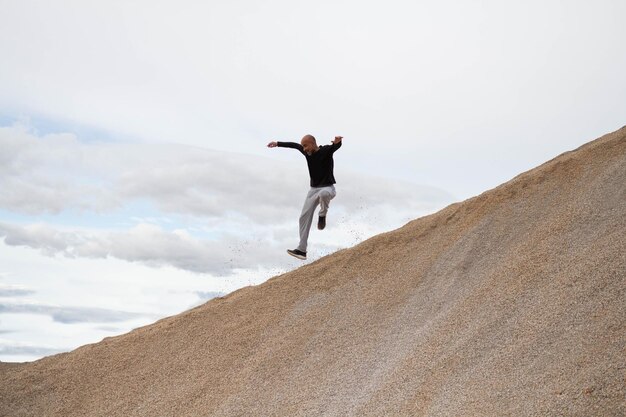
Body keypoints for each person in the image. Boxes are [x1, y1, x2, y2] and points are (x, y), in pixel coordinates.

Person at [267, 134, 343, 260]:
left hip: (328, 188)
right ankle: (302, 250)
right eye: (303, 146)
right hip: (313, 190)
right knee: (303, 217)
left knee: (323, 194)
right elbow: (294, 145)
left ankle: (322, 215)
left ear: (313, 143)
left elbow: (334, 147)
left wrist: (337, 142)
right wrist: (278, 143)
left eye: (306, 145)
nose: (304, 149)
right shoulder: (307, 154)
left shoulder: (325, 151)